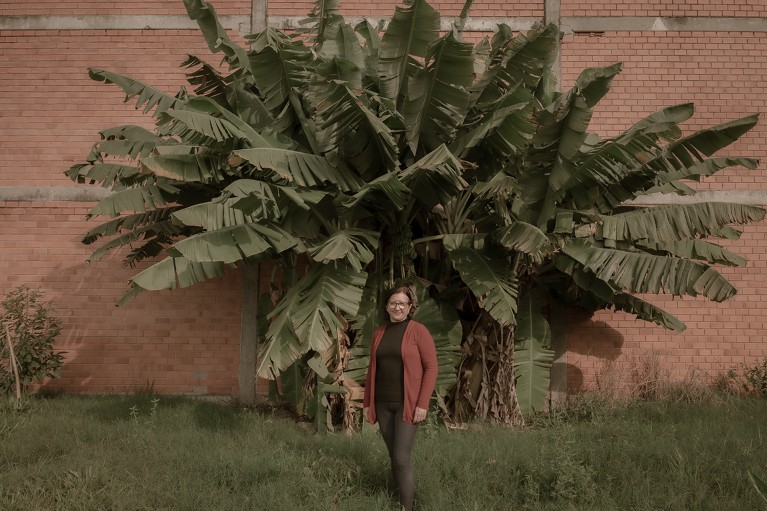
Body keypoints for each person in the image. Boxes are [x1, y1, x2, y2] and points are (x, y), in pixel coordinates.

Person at [362, 286, 438, 511]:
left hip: (408, 403)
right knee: (393, 456)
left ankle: (405, 507)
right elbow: (372, 369)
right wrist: (367, 403)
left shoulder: (418, 331)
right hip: (383, 403)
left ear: (410, 307)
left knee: (401, 458)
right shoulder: (379, 332)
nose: (397, 307)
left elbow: (431, 368)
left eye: (402, 303)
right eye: (393, 303)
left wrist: (422, 403)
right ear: (387, 307)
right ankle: (400, 500)